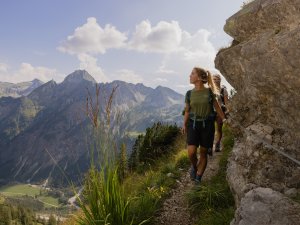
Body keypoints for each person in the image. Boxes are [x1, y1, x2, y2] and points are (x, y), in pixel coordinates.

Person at [182, 67, 226, 184]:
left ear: (200, 78)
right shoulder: (189, 93)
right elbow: (187, 110)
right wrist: (184, 124)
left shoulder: (209, 92)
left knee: (203, 152)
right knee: (191, 152)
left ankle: (198, 179)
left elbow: (217, 107)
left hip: (207, 125)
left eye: (192, 73)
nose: (189, 76)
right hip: (193, 124)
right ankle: (194, 166)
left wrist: (224, 119)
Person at [213, 74, 229, 152]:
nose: (215, 81)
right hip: (211, 112)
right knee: (210, 129)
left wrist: (226, 111)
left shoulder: (223, 90)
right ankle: (209, 145)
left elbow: (226, 102)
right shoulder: (210, 90)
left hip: (221, 112)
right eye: (214, 79)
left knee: (219, 128)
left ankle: (217, 144)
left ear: (220, 80)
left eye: (217, 79)